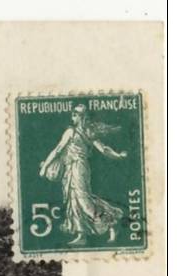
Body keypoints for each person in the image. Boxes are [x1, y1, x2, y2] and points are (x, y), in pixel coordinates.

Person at [39, 103, 127, 245]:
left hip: (79, 168)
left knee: (84, 201)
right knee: (72, 200)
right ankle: (81, 235)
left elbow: (103, 149)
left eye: (75, 114)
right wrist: (46, 167)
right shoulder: (70, 131)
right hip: (69, 169)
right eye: (73, 113)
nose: (72, 116)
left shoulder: (85, 132)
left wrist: (118, 155)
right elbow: (58, 150)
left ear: (82, 117)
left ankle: (111, 223)